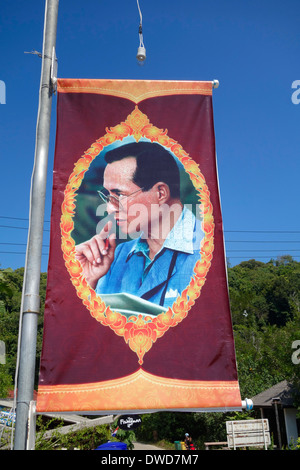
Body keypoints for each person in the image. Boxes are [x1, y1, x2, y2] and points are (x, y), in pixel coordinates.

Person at [75, 142, 204, 310]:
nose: (109, 208)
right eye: (107, 196)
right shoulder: (114, 257)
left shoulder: (208, 251)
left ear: (160, 193)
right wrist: (85, 282)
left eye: (119, 195)